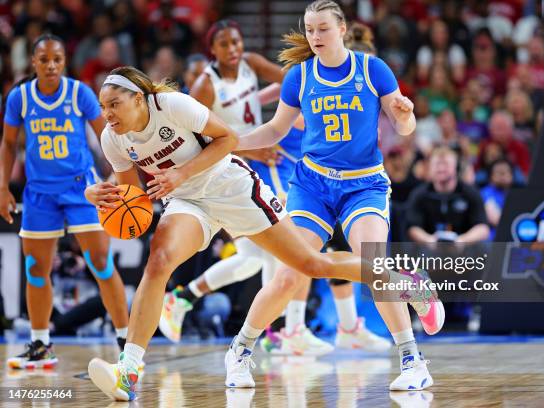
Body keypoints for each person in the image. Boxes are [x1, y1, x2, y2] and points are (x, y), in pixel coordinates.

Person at [84, 66, 441, 401]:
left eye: (114, 104)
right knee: (159, 261)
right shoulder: (112, 139)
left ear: (139, 99)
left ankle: (405, 281)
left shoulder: (172, 106)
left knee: (310, 265)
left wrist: (180, 173)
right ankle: (128, 371)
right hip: (188, 203)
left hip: (231, 187)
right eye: (103, 106)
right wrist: (100, 195)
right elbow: (134, 201)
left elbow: (228, 139)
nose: (108, 113)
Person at [230, 0, 444, 392]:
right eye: (310, 29)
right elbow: (276, 130)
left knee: (373, 267)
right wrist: (232, 144)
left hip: (363, 183)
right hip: (312, 185)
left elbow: (405, 125)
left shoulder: (372, 69)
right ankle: (240, 352)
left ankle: (414, 361)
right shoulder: (299, 75)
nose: (315, 37)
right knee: (289, 275)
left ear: (342, 29)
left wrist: (406, 113)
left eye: (323, 29)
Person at [160, 20, 386, 355]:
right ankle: (280, 329)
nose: (234, 49)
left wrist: (279, 102)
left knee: (265, 253)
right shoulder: (208, 84)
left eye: (236, 41)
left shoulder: (251, 63)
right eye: (225, 44)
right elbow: (197, 135)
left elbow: (291, 82)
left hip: (265, 161)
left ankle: (271, 328)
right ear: (213, 50)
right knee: (277, 249)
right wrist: (250, 147)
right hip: (235, 164)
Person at [0, 34, 129, 369]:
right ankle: (41, 345)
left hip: (80, 188)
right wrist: (3, 187)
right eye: (44, 59)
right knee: (35, 269)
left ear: (64, 61)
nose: (52, 65)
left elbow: (109, 133)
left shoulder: (79, 93)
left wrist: (118, 175)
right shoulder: (20, 97)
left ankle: (126, 339)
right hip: (40, 192)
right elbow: (8, 145)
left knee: (100, 263)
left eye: (57, 58)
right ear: (34, 62)